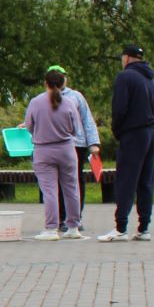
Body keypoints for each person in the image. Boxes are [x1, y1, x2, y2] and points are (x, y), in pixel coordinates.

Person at [103, 43, 154, 242]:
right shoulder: (150, 78)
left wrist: (117, 130)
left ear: (126, 58)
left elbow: (119, 108)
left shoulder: (125, 77)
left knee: (127, 179)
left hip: (133, 133)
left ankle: (120, 228)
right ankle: (144, 227)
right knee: (146, 180)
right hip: (150, 132)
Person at [25, 68, 84, 240]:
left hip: (43, 150)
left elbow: (29, 125)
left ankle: (51, 228)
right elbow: (76, 128)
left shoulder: (36, 102)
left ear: (46, 83)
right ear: (63, 83)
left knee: (49, 190)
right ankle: (73, 226)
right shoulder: (70, 102)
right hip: (66, 149)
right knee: (71, 188)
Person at [47, 65, 102, 230]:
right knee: (56, 182)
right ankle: (61, 218)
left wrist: (93, 143)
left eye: (63, 75)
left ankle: (76, 217)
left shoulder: (76, 96)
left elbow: (87, 120)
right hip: (55, 144)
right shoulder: (44, 98)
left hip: (77, 144)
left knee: (75, 181)